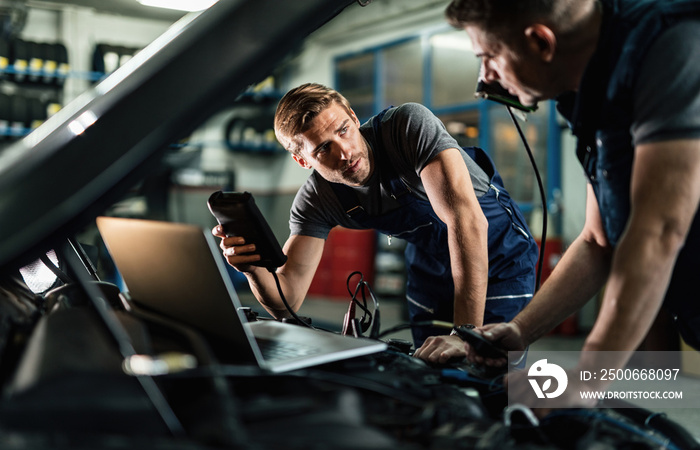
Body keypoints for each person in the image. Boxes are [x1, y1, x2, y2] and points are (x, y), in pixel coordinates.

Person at [445, 0, 700, 406]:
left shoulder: (672, 47)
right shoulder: (591, 99)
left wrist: (585, 380)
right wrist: (520, 330)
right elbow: (598, 242)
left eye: (488, 56)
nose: (485, 77)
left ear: (540, 42)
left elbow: (660, 229)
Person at [213, 83, 538, 362]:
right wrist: (253, 267)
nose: (344, 152)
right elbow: (288, 301)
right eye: (324, 148)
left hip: (499, 257)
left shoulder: (407, 128)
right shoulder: (317, 199)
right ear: (302, 160)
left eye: (343, 130)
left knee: (493, 371)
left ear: (354, 118)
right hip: (431, 268)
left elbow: (466, 223)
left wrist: (464, 333)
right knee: (429, 375)